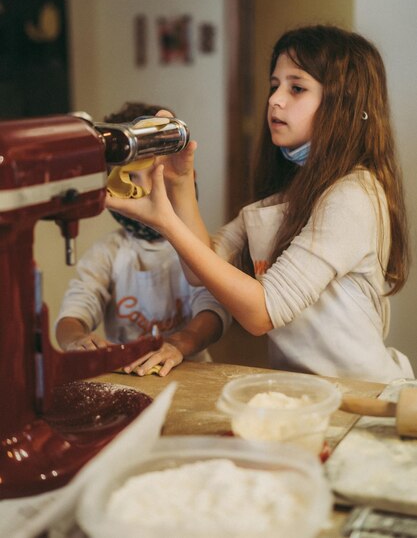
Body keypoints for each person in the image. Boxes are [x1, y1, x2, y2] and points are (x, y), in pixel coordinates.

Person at [105, 25, 416, 384]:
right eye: (274, 86)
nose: (275, 100)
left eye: (296, 88)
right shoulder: (285, 198)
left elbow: (262, 312)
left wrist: (167, 223)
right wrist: (179, 182)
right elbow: (201, 268)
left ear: (344, 104)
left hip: (364, 396)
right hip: (307, 392)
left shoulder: (353, 196)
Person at [55, 102, 230, 376]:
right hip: (129, 375)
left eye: (155, 173)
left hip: (192, 372)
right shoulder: (108, 253)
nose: (142, 188)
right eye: (129, 177)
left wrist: (179, 343)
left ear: (187, 178)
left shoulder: (198, 246)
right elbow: (72, 315)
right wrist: (75, 339)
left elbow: (213, 312)